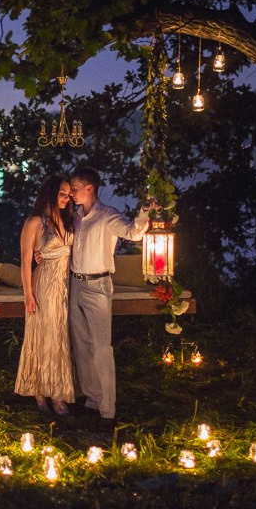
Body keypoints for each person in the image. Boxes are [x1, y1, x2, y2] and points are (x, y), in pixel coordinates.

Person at [67, 166, 153, 427]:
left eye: (74, 188)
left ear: (89, 188)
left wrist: (144, 212)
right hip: (75, 284)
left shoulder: (107, 216)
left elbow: (133, 233)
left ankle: (108, 408)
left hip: (98, 284)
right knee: (81, 344)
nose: (71, 193)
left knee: (102, 347)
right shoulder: (75, 217)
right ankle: (92, 399)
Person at [14, 173, 75, 415]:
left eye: (69, 195)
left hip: (63, 287)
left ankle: (58, 392)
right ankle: (40, 393)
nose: (67, 198)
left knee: (59, 339)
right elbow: (26, 260)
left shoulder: (66, 221)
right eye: (62, 194)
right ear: (50, 193)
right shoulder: (34, 223)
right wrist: (28, 294)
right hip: (42, 286)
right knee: (41, 338)